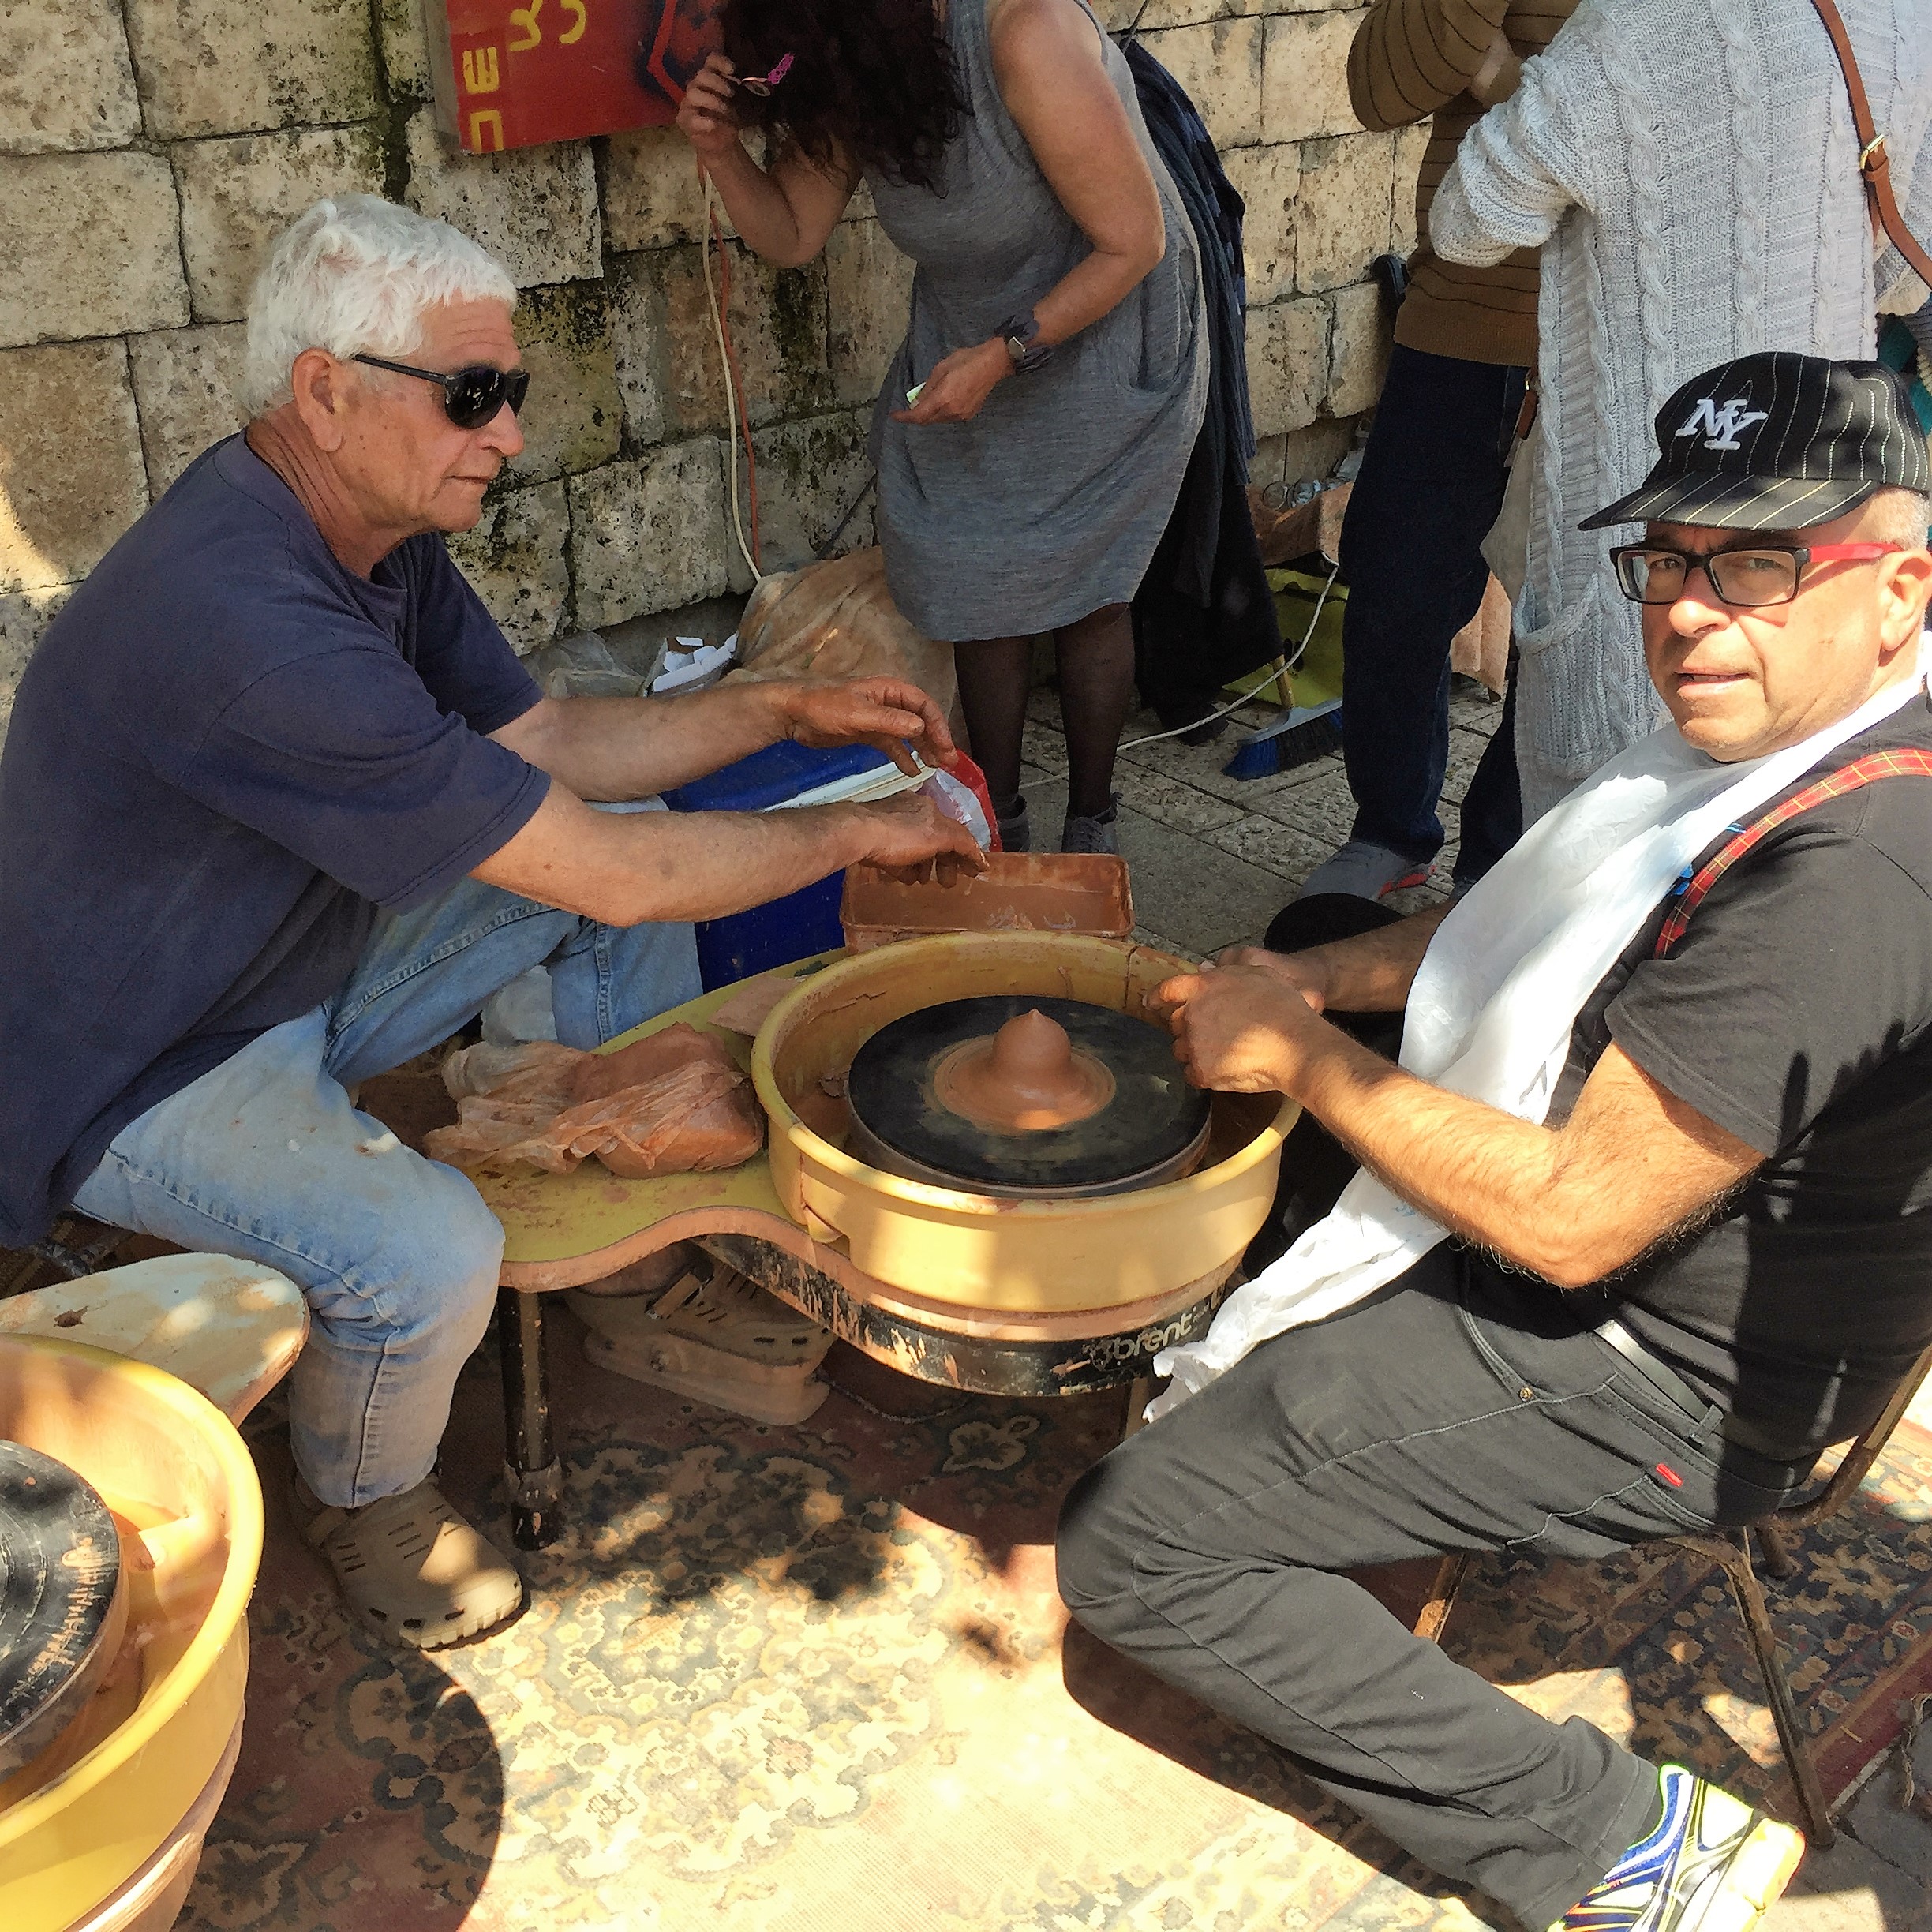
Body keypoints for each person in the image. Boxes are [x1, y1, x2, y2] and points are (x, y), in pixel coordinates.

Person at [0, 195, 982, 1649]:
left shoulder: (367, 531)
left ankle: (603, 1231)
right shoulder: (248, 619)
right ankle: (365, 1492)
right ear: (326, 393)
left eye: (509, 392)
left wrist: (778, 703)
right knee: (424, 1251)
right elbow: (612, 874)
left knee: (611, 875)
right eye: (472, 396)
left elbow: (551, 748)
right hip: (142, 1053)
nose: (508, 432)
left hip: (285, 948)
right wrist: (859, 830)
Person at [1057, 355, 1932, 1932]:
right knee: (1324, 920)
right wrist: (1325, 979)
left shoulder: (1855, 865)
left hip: (1672, 1366)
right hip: (1664, 1222)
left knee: (1136, 1549)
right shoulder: (1782, 731)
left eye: (1756, 562)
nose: (1686, 610)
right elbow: (1551, 932)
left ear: (1898, 590)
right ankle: (1308, 1358)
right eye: (1667, 558)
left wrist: (1309, 1053)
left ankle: (1617, 1845)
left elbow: (1577, 1225)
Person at [677, 0, 1208, 856]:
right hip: (970, 333)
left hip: (1109, 326)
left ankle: (1092, 824)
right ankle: (995, 818)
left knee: (1088, 592)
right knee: (972, 579)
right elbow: (793, 233)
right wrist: (719, 151)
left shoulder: (1023, 32)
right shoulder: (866, 68)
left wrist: (1004, 356)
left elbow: (1134, 241)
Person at [1429, 0, 1931, 822]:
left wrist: (1515, 80)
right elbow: (1906, 275)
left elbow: (1471, 221)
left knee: (1607, 851)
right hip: (1814, 527)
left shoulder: (1634, 22)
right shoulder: (1906, 16)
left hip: (1649, 519)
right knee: (1785, 813)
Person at [1295, 0, 1580, 904]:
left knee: (1562, 624)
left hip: (1602, 338)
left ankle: (1501, 859)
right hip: (1458, 319)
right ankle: (1390, 830)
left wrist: (1504, 79)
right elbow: (1380, 87)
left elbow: (1631, 127)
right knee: (1394, 598)